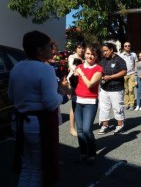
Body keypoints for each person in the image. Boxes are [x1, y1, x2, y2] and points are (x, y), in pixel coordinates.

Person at [8, 30, 69, 187]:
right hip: (38, 124)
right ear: (39, 50)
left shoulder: (17, 67)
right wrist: (62, 92)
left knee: (27, 166)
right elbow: (50, 103)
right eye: (49, 46)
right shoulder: (45, 69)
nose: (52, 49)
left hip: (21, 121)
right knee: (38, 169)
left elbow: (11, 96)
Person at [73, 43, 103, 164]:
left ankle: (92, 153)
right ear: (84, 54)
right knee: (79, 130)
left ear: (96, 56)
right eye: (88, 53)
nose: (90, 56)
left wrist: (81, 73)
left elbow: (90, 84)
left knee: (87, 130)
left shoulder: (98, 69)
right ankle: (83, 152)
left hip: (90, 102)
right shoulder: (79, 66)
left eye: (93, 54)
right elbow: (74, 82)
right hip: (77, 101)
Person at [98, 42, 127, 135]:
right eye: (103, 51)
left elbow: (124, 72)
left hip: (116, 89)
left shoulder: (119, 60)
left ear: (111, 50)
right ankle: (105, 126)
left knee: (118, 108)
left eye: (106, 51)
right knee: (104, 108)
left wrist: (111, 77)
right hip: (104, 88)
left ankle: (120, 126)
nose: (104, 53)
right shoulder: (102, 60)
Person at [67, 41, 85, 137]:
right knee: (74, 105)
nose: (81, 49)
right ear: (75, 49)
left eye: (82, 48)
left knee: (81, 104)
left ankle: (80, 126)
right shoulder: (72, 57)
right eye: (79, 47)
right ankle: (72, 128)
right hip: (74, 82)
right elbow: (73, 68)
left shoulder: (85, 58)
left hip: (83, 83)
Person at [120, 42, 138, 110]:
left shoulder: (133, 54)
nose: (127, 47)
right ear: (123, 47)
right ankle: (126, 104)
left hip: (132, 74)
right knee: (126, 90)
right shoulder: (121, 55)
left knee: (131, 90)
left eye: (129, 46)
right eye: (126, 46)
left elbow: (135, 63)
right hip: (124, 75)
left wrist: (135, 72)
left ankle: (131, 104)